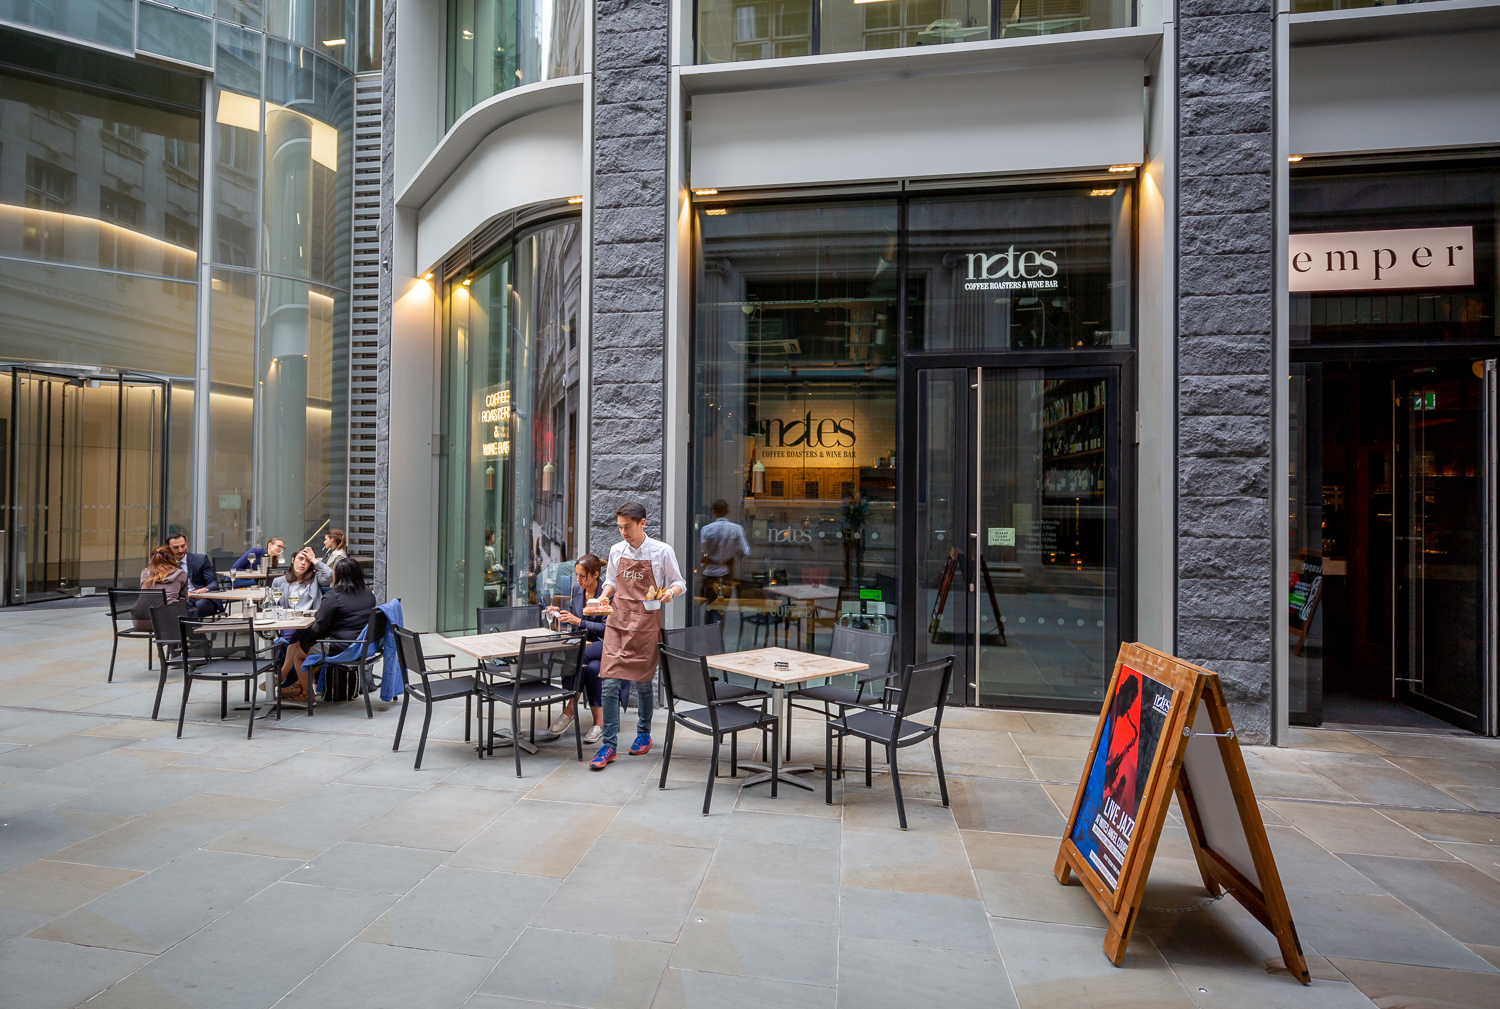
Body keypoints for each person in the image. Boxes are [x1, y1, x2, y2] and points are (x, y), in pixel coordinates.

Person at [590, 501, 686, 770]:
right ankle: (608, 745)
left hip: (645, 624)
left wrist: (670, 593)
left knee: (643, 683)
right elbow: (610, 581)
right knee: (608, 683)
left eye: (628, 527)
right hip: (618, 622)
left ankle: (644, 732)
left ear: (643, 523)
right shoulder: (616, 550)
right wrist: (601, 596)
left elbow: (680, 582)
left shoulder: (661, 551)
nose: (623, 532)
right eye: (620, 527)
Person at [281, 556, 375, 702]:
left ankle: (307, 694)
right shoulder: (368, 594)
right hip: (363, 644)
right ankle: (299, 683)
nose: (333, 574)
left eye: (335, 572)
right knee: (304, 644)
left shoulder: (334, 596)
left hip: (342, 646)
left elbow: (319, 628)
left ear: (339, 575)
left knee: (298, 651)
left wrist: (307, 634)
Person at [546, 554, 607, 743]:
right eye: (577, 575)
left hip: (606, 644)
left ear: (595, 575)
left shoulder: (607, 592)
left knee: (579, 654)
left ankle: (570, 709)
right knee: (593, 668)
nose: (578, 580)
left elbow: (607, 630)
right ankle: (600, 722)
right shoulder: (576, 589)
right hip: (585, 644)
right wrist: (561, 615)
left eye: (583, 576)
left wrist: (579, 621)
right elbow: (575, 623)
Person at [699, 499, 750, 619]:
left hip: (710, 574)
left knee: (710, 607)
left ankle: (709, 634)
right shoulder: (736, 529)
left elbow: (702, 552)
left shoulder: (706, 529)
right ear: (728, 511)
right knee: (723, 610)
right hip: (727, 574)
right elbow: (746, 551)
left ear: (713, 512)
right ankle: (719, 633)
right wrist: (736, 553)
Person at [132, 545, 189, 630]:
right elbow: (185, 599)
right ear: (172, 558)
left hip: (140, 621)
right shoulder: (181, 574)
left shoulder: (145, 573)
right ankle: (177, 643)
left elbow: (144, 595)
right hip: (166, 622)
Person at [166, 534, 223, 618]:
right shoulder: (164, 563)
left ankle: (190, 630)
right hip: (176, 598)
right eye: (176, 548)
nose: (180, 550)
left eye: (183, 546)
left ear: (186, 544)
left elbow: (213, 583)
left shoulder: (200, 560)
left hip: (200, 598)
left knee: (190, 608)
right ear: (168, 548)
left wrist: (202, 590)